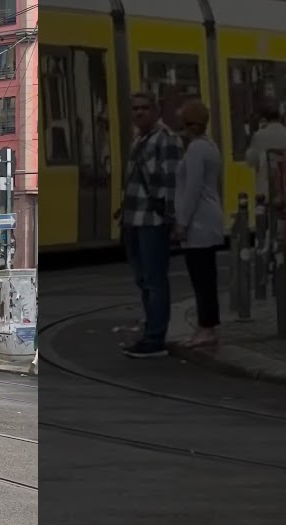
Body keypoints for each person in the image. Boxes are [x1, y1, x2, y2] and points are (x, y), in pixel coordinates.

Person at [121, 90, 183, 358]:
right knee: (143, 279)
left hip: (153, 221)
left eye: (144, 108)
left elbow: (171, 184)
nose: (139, 112)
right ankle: (150, 331)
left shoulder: (166, 140)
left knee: (155, 280)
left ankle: (156, 337)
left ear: (156, 111)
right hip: (133, 219)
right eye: (135, 108)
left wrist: (171, 220)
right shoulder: (140, 139)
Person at [173, 99, 224, 347]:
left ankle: (206, 329)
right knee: (206, 277)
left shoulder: (195, 150)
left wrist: (182, 223)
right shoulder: (210, 146)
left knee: (201, 279)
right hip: (208, 218)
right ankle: (207, 327)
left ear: (189, 125)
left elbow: (191, 189)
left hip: (199, 223)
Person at [245, 103, 286, 204]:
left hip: (266, 192)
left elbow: (251, 161)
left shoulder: (259, 136)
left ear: (265, 119)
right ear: (280, 118)